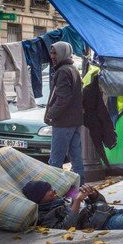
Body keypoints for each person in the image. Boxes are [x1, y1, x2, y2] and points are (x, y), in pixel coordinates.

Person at [45, 41, 85, 184]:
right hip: (75, 121)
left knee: (55, 160)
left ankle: (55, 190)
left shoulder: (63, 71)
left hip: (63, 122)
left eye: (56, 52)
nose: (53, 56)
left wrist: (51, 114)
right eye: (52, 52)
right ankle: (81, 188)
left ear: (63, 53)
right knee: (76, 157)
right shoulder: (72, 68)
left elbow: (63, 98)